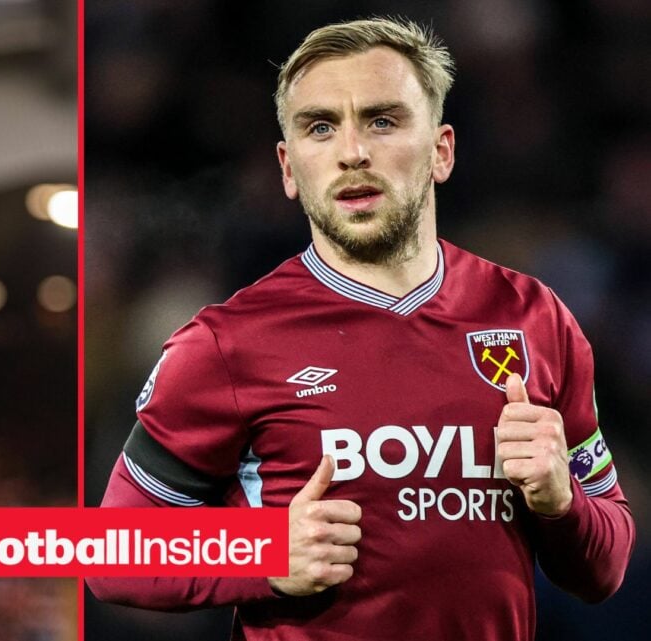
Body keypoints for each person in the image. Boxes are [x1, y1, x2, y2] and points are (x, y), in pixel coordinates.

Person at [87, 17, 634, 641]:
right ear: (289, 168)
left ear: (442, 151)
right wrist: (264, 551)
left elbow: (607, 565)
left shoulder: (534, 318)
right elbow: (110, 552)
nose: (352, 152)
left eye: (382, 120)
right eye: (320, 127)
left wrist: (563, 502)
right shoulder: (227, 343)